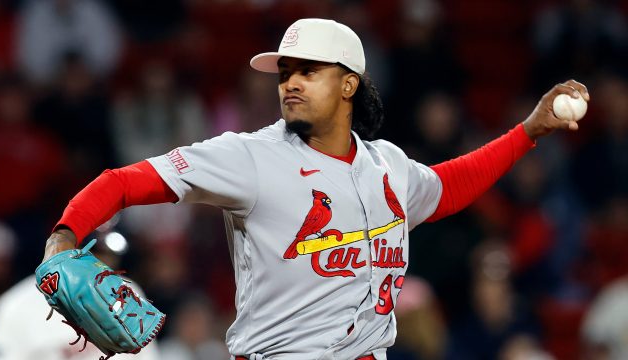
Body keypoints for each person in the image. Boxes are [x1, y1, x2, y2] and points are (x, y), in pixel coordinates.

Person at [40, 18, 589, 360]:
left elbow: (448, 186)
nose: (291, 82)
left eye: (309, 70)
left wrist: (528, 132)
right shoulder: (249, 156)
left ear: (349, 83)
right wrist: (65, 236)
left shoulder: (386, 165)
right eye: (285, 73)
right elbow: (123, 182)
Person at [0, 233, 159, 360]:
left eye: (108, 255)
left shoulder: (127, 291)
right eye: (92, 252)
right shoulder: (17, 304)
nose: (102, 262)